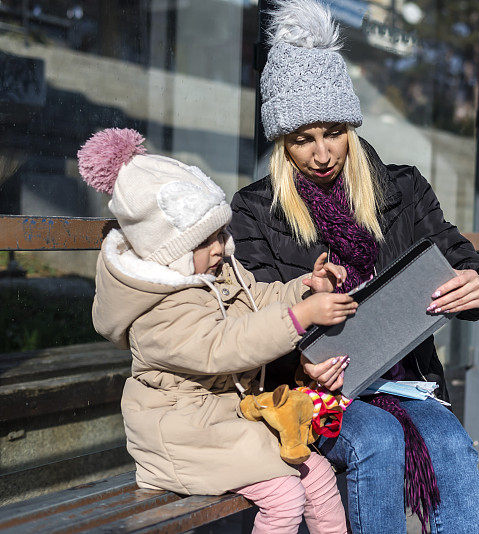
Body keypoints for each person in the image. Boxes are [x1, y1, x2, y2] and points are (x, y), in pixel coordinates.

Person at [229, 1, 479, 532]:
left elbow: (462, 261)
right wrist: (300, 362)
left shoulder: (402, 189)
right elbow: (257, 311)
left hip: (404, 379)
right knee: (376, 439)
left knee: (449, 442)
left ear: (351, 128)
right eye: (302, 139)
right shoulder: (255, 209)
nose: (322, 153)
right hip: (306, 393)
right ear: (282, 145)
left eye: (333, 132)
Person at [78, 127, 355, 534]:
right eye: (204, 241)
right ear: (166, 252)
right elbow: (222, 346)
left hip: (222, 417)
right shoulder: (157, 310)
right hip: (177, 435)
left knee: (318, 474)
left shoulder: (212, 270)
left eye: (221, 234)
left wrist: (302, 290)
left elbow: (256, 298)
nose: (221, 249)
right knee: (285, 495)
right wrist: (301, 317)